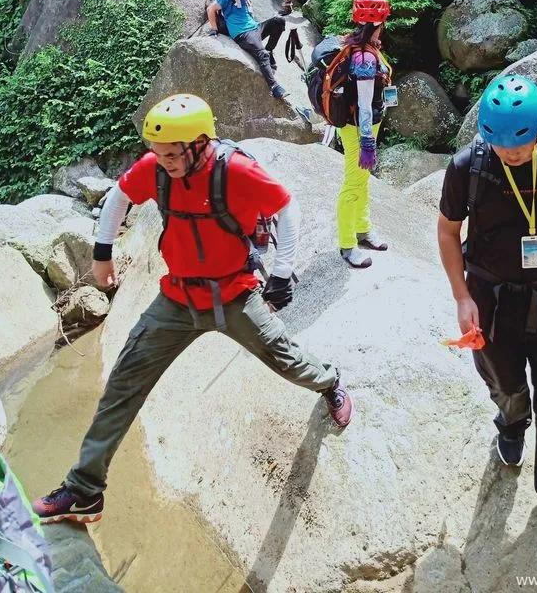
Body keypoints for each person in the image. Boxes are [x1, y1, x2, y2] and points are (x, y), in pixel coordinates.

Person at [32, 94, 353, 525]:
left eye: (169, 153)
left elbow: (285, 206)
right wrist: (102, 254)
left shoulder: (234, 169)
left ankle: (330, 382)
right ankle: (85, 490)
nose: (160, 161)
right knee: (123, 384)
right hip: (177, 299)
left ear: (200, 143)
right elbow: (118, 197)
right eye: (156, 152)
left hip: (235, 295)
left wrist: (282, 272)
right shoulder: (158, 168)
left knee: (287, 360)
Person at [437, 75, 537, 543]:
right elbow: (449, 231)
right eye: (502, 144)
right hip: (490, 295)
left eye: (522, 144)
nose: (512, 153)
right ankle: (511, 423)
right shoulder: (469, 166)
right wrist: (461, 296)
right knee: (504, 381)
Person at [337, 0, 393, 269]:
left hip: (361, 126)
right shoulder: (364, 59)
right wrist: (367, 142)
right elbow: (364, 103)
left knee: (362, 180)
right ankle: (348, 244)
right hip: (359, 129)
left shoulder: (356, 43)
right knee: (353, 182)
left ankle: (363, 228)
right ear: (378, 22)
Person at [207, 0, 288, 101]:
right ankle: (274, 87)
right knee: (262, 55)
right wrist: (214, 29)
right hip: (242, 34)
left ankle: (270, 49)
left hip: (255, 28)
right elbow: (211, 9)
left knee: (279, 21)